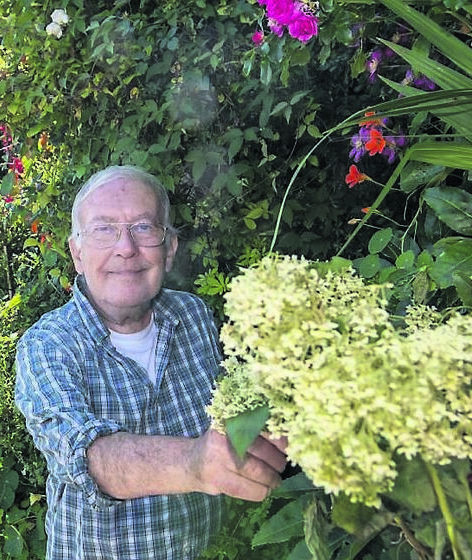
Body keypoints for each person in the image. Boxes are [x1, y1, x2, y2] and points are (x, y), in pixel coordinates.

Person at [15, 165, 287, 559]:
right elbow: (88, 457)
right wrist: (195, 461)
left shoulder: (193, 315)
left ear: (170, 248)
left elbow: (234, 408)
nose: (126, 247)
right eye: (104, 229)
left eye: (144, 227)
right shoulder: (48, 345)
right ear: (77, 253)